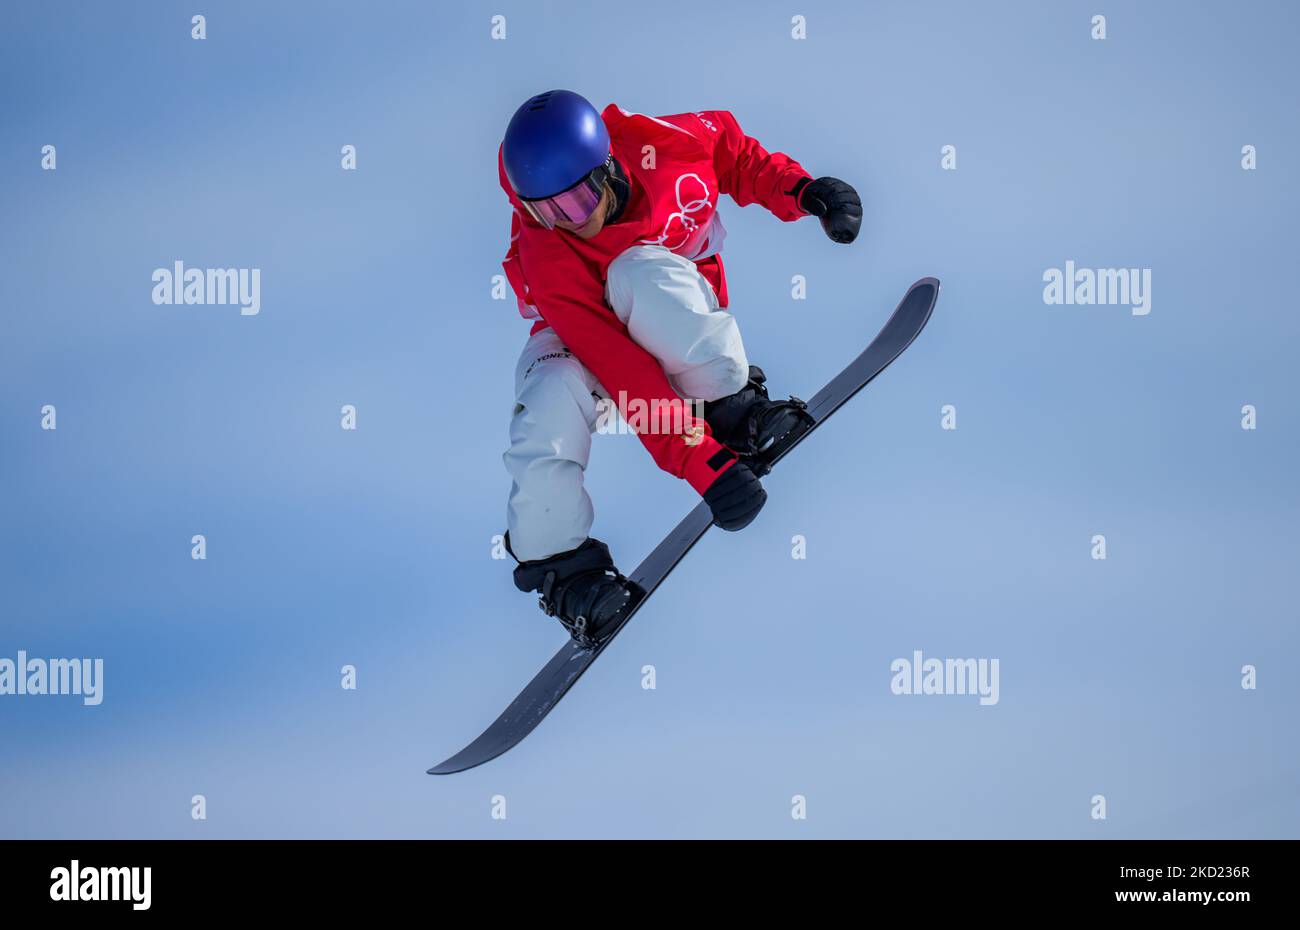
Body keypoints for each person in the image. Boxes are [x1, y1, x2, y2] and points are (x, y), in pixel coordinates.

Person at [498, 89, 862, 644]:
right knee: (547, 394)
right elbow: (621, 371)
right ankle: (565, 570)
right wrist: (702, 465)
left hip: (663, 306)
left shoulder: (664, 147)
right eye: (543, 212)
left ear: (607, 170)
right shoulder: (547, 253)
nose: (565, 224)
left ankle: (732, 410)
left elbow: (737, 158)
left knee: (638, 270)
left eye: (571, 205)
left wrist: (802, 190)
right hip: (583, 339)